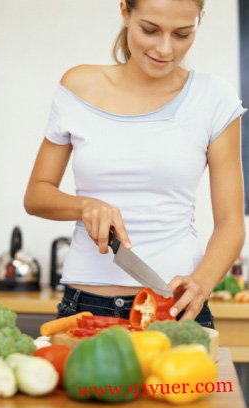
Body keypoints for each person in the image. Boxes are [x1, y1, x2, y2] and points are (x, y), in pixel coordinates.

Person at [24, 0, 247, 328]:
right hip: (85, 307)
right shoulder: (78, 86)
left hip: (173, 309)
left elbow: (230, 223)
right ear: (125, 11)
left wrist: (201, 283)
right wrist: (86, 206)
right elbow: (36, 195)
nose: (165, 49)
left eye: (183, 34)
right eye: (150, 30)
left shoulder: (215, 99)